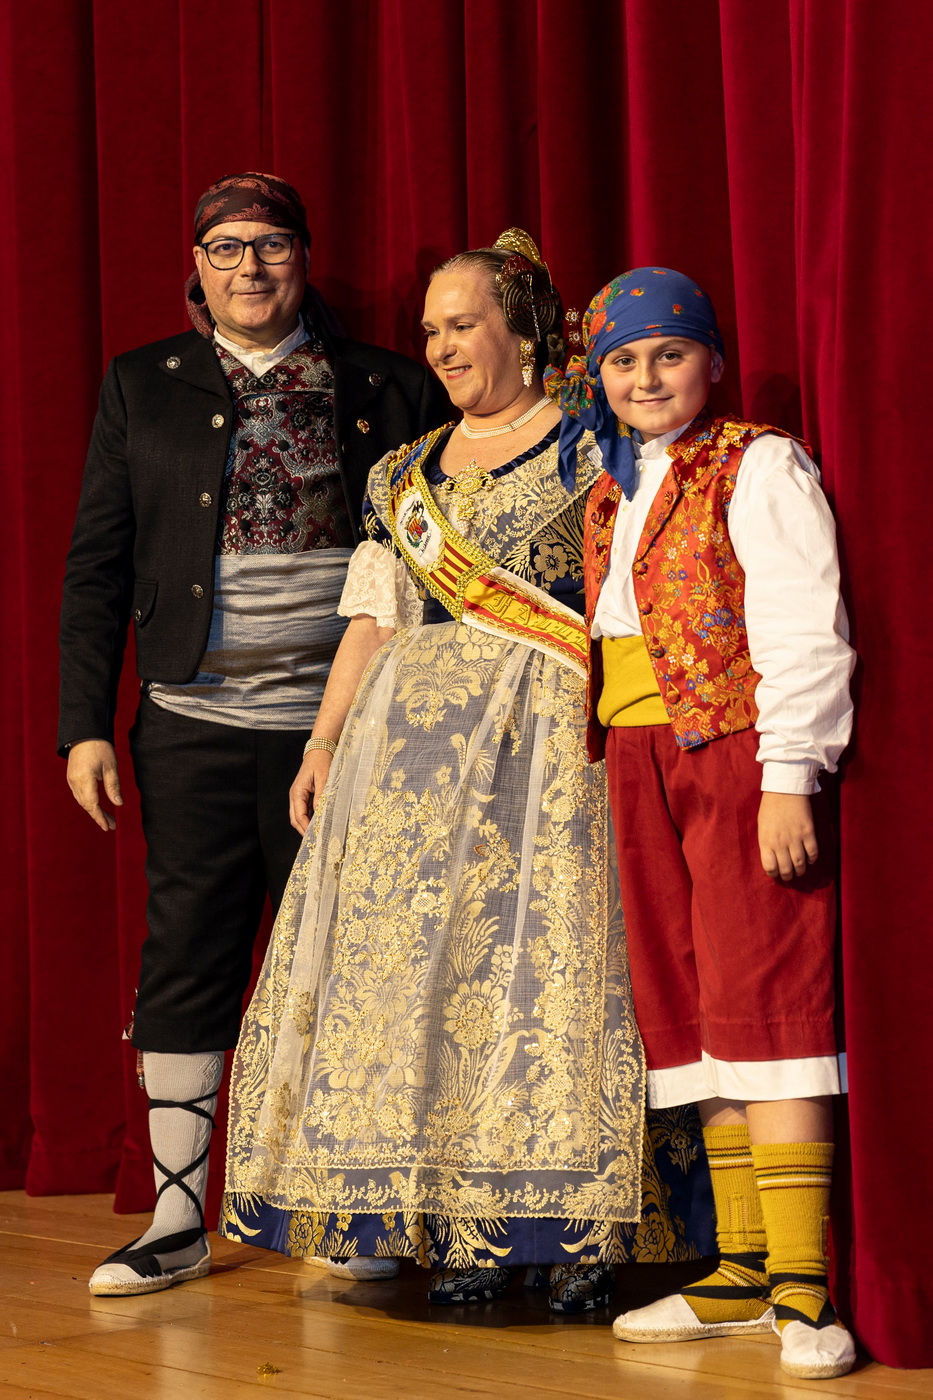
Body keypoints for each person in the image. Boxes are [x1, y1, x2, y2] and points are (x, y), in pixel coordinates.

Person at [220, 232, 713, 1313]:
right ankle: (467, 1223)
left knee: (553, 976)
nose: (442, 346)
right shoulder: (403, 473)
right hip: (411, 766)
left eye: (462, 324)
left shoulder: (596, 442)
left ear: (520, 330)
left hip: (551, 751)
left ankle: (581, 1230)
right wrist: (322, 743)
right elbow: (373, 618)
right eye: (430, 330)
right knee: (436, 989)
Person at [59, 171, 449, 1297]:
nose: (249, 267)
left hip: (352, 727)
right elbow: (95, 566)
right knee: (187, 951)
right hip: (190, 722)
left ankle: (352, 1212)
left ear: (304, 257)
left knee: (350, 957)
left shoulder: (384, 383)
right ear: (197, 263)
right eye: (226, 247)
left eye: (270, 244)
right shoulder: (143, 383)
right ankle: (178, 1219)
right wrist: (84, 724)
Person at [546, 268, 857, 1378]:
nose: (645, 377)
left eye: (668, 354)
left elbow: (802, 621)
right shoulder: (611, 485)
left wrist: (787, 773)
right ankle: (739, 1264)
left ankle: (802, 1283)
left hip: (729, 747)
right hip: (636, 752)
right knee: (688, 1006)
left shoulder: (756, 463)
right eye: (622, 361)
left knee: (765, 994)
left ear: (711, 362)